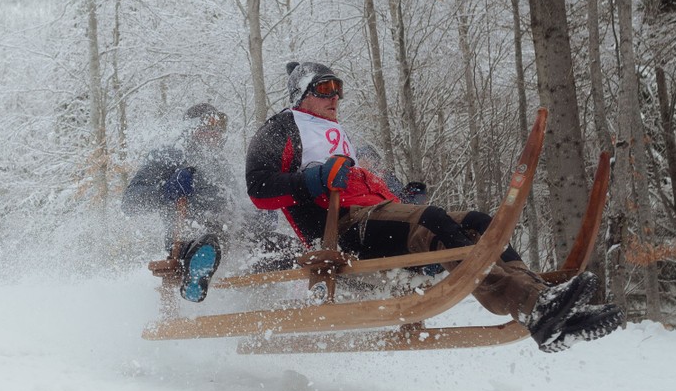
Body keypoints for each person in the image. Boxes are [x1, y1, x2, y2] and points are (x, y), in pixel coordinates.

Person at [245, 61, 623, 352]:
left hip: (375, 216)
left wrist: (402, 195)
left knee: (481, 222)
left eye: (338, 89)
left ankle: (544, 300)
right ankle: (529, 305)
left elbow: (370, 180)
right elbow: (259, 188)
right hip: (340, 230)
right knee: (433, 222)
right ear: (301, 95)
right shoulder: (282, 127)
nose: (335, 97)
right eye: (325, 89)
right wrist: (312, 179)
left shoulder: (340, 135)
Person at [123, 103, 298, 302]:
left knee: (291, 250)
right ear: (191, 129)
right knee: (208, 243)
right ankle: (195, 276)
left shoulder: (221, 166)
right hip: (187, 239)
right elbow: (129, 202)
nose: (215, 133)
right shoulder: (169, 156)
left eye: (219, 128)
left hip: (235, 240)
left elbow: (236, 208)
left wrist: (258, 215)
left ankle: (293, 303)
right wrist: (167, 190)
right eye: (209, 126)